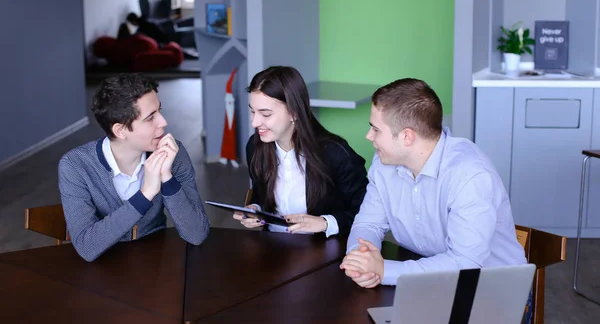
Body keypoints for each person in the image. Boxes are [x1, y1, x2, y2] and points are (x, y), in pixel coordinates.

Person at [340, 78, 526, 288]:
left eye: (375, 129)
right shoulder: (384, 164)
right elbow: (368, 224)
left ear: (407, 137)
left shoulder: (471, 175)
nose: (368, 136)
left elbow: (464, 263)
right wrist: (361, 260)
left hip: (491, 289)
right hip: (432, 281)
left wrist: (384, 271)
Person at [58, 74, 210, 261]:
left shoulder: (173, 153)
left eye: (159, 110)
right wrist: (146, 194)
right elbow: (87, 247)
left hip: (157, 263)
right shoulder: (75, 165)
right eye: (150, 118)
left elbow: (196, 235)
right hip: (104, 271)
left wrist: (167, 179)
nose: (163, 122)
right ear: (120, 131)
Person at [232, 66, 368, 237]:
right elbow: (260, 194)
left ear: (294, 113)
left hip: (322, 251)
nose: (254, 122)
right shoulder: (255, 146)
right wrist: (255, 209)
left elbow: (367, 213)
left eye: (265, 114)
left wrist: (325, 223)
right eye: (252, 111)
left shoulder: (336, 154)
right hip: (271, 245)